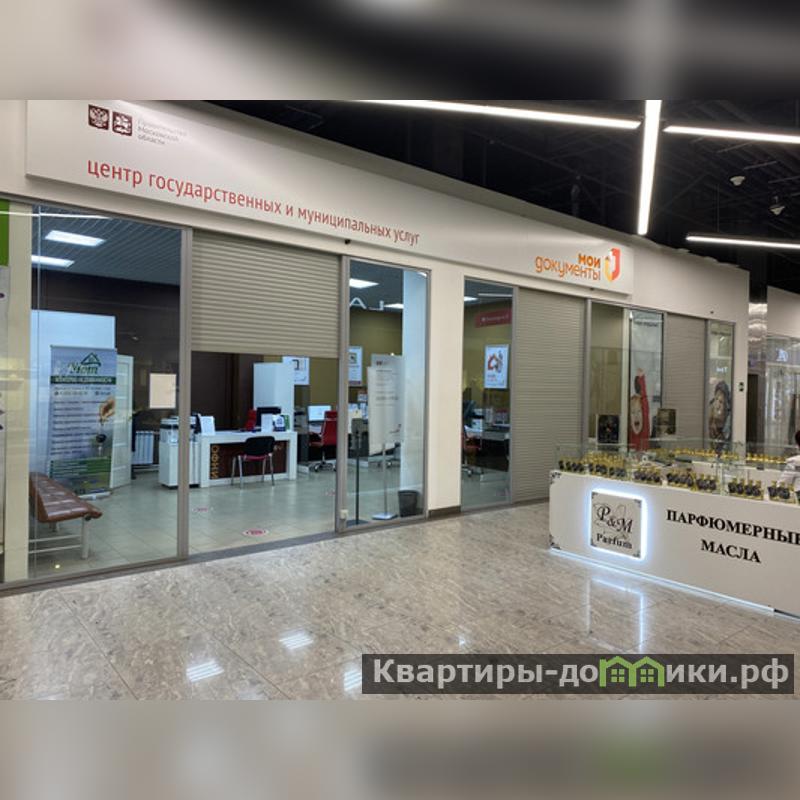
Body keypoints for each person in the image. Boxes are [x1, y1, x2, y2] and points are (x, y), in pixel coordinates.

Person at [628, 369, 650, 451]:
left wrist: (641, 379)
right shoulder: (627, 438)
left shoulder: (644, 432)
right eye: (633, 413)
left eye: (639, 411)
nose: (636, 416)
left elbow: (644, 400)